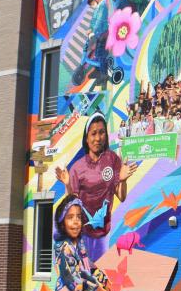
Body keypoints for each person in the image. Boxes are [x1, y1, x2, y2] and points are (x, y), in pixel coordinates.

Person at [54, 112, 138, 262]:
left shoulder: (112, 159)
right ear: (86, 139)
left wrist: (123, 180)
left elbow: (122, 196)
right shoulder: (77, 168)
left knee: (100, 276)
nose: (98, 138)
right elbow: (71, 203)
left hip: (103, 233)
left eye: (101, 132)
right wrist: (67, 183)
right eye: (93, 134)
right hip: (82, 233)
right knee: (83, 275)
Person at [53, 194, 111, 291]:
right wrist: (95, 289)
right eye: (70, 217)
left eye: (78, 217)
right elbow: (72, 279)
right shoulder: (63, 247)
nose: (76, 221)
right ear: (62, 224)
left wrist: (103, 279)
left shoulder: (79, 243)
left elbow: (88, 265)